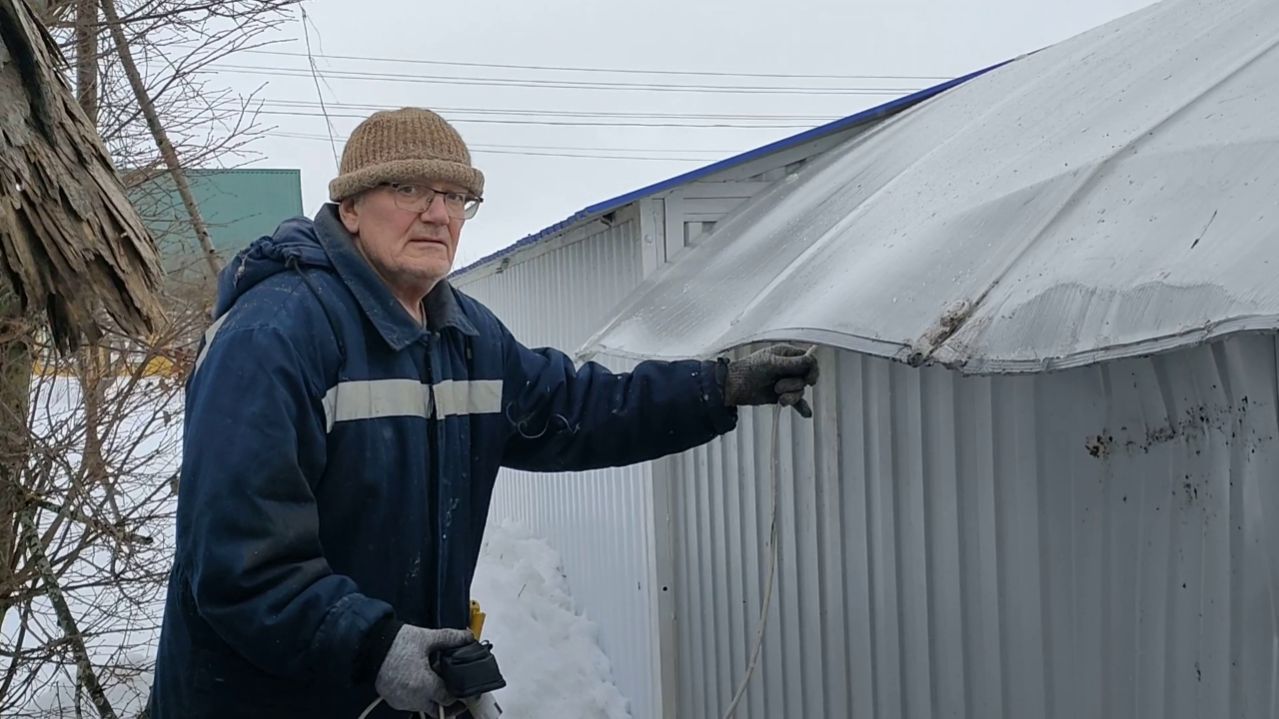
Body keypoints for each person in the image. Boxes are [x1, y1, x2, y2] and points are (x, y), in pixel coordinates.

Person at [147, 108, 819, 718]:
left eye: (455, 196)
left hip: (392, 695)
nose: (437, 214)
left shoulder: (463, 335)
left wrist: (717, 387)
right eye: (409, 189)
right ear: (349, 207)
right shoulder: (274, 335)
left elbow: (574, 408)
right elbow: (241, 564)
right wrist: (375, 644)